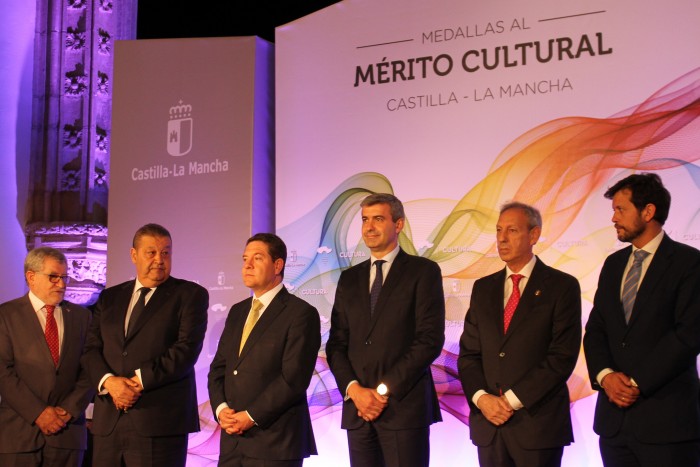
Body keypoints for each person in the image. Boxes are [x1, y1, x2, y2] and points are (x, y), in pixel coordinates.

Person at [583, 173, 700, 467]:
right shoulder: (613, 265)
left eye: (620, 209)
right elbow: (596, 329)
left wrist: (635, 382)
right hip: (614, 425)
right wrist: (605, 376)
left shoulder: (689, 263)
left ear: (648, 212)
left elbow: (688, 336)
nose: (613, 218)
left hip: (667, 424)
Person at [458, 202, 582, 467]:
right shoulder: (483, 288)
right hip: (489, 427)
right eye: (499, 230)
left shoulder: (561, 286)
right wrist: (482, 399)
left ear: (534, 235)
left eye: (512, 230)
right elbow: (469, 355)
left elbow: (561, 356)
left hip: (537, 426)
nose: (502, 238)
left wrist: (510, 401)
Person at [326, 193, 445, 467]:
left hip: (402, 409)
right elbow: (337, 343)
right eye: (365, 220)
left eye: (378, 219)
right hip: (358, 410)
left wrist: (381, 392)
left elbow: (428, 340)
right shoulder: (349, 278)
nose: (369, 227)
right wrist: (354, 390)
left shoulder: (422, 272)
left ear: (399, 224)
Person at [82, 223, 209, 467]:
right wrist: (110, 383)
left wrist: (134, 383)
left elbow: (185, 350)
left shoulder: (190, 295)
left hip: (159, 423)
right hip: (109, 422)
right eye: (151, 252)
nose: (159, 260)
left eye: (166, 252)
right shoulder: (110, 297)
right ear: (134, 255)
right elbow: (90, 350)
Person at [208, 233, 320, 466]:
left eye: (257, 258)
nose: (247, 265)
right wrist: (221, 410)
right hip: (232, 442)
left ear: (277, 265)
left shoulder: (300, 313)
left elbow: (293, 379)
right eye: (245, 258)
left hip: (275, 443)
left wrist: (250, 416)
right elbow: (219, 368)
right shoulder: (238, 312)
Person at [0, 247, 93, 466]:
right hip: (18, 435)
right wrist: (39, 413)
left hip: (67, 434)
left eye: (64, 277)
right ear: (31, 277)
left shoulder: (83, 317)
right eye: (53, 277)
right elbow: (2, 371)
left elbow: (90, 368)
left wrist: (68, 410)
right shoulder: (5, 315)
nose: (61, 284)